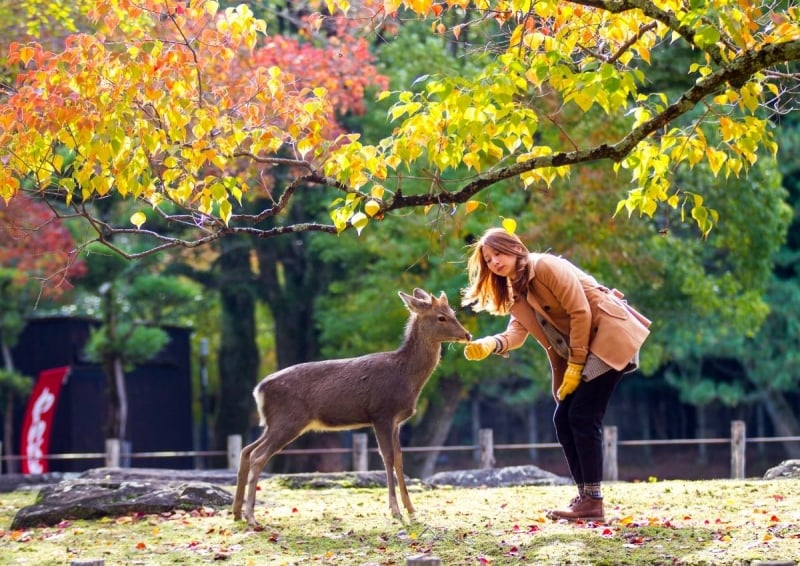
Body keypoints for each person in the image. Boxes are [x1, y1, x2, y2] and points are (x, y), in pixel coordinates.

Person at [461, 227, 651, 522]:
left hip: (608, 336)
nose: (494, 262)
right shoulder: (516, 289)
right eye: (487, 259)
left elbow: (581, 312)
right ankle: (586, 498)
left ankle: (592, 501)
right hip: (584, 348)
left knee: (582, 417)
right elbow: (518, 331)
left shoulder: (544, 266)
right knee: (563, 418)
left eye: (498, 253)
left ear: (514, 247)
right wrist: (492, 344)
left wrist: (575, 366)